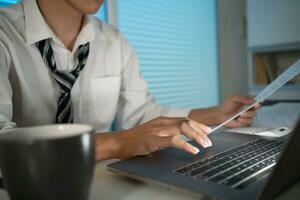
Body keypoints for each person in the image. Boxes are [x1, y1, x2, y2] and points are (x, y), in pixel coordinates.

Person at [0, 0, 259, 161]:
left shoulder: (114, 42)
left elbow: (141, 115)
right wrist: (117, 142)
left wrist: (217, 114)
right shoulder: (4, 33)